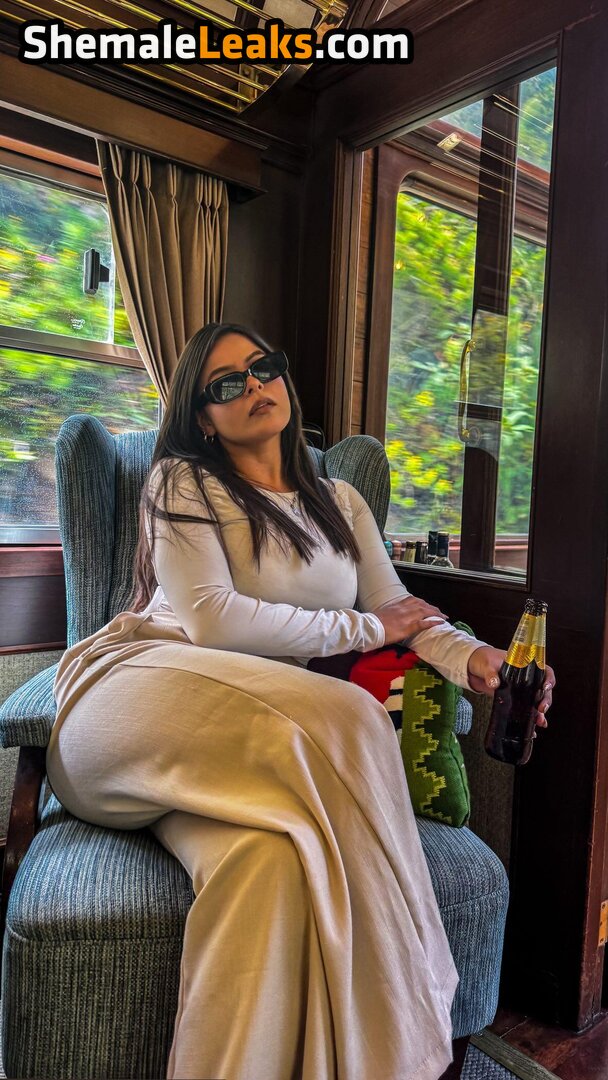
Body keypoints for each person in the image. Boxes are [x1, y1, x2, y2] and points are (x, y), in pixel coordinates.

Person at [47, 322, 555, 1080]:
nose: (254, 385)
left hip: (244, 754)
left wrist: (474, 660)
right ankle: (415, 1029)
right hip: (137, 697)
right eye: (227, 383)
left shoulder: (341, 502)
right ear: (201, 417)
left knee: (270, 868)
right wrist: (367, 629)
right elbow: (213, 621)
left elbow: (400, 610)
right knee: (347, 715)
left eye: (264, 367)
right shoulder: (181, 481)